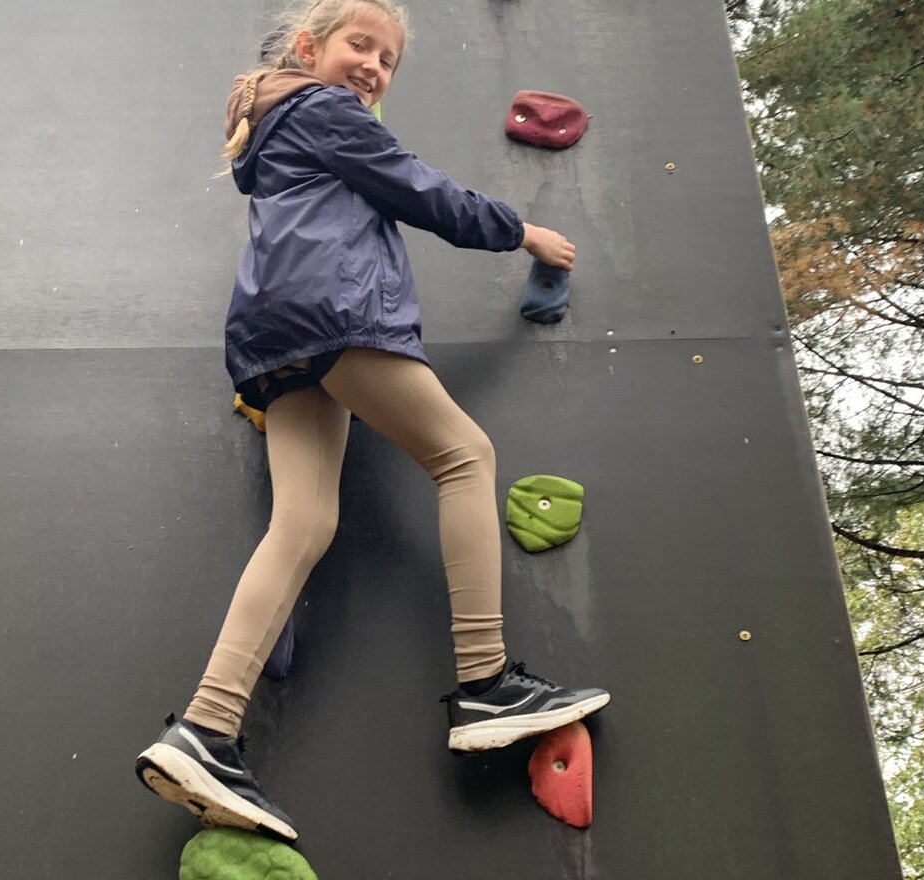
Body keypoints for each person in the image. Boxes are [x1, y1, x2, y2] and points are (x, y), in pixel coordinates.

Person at [135, 0, 609, 842]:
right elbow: (421, 191)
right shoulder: (322, 108)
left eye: (388, 60)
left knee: (303, 521)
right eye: (362, 44)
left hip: (273, 334)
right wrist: (525, 232)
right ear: (309, 47)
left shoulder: (276, 122)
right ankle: (486, 682)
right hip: (333, 311)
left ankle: (206, 729)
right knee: (464, 456)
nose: (374, 67)